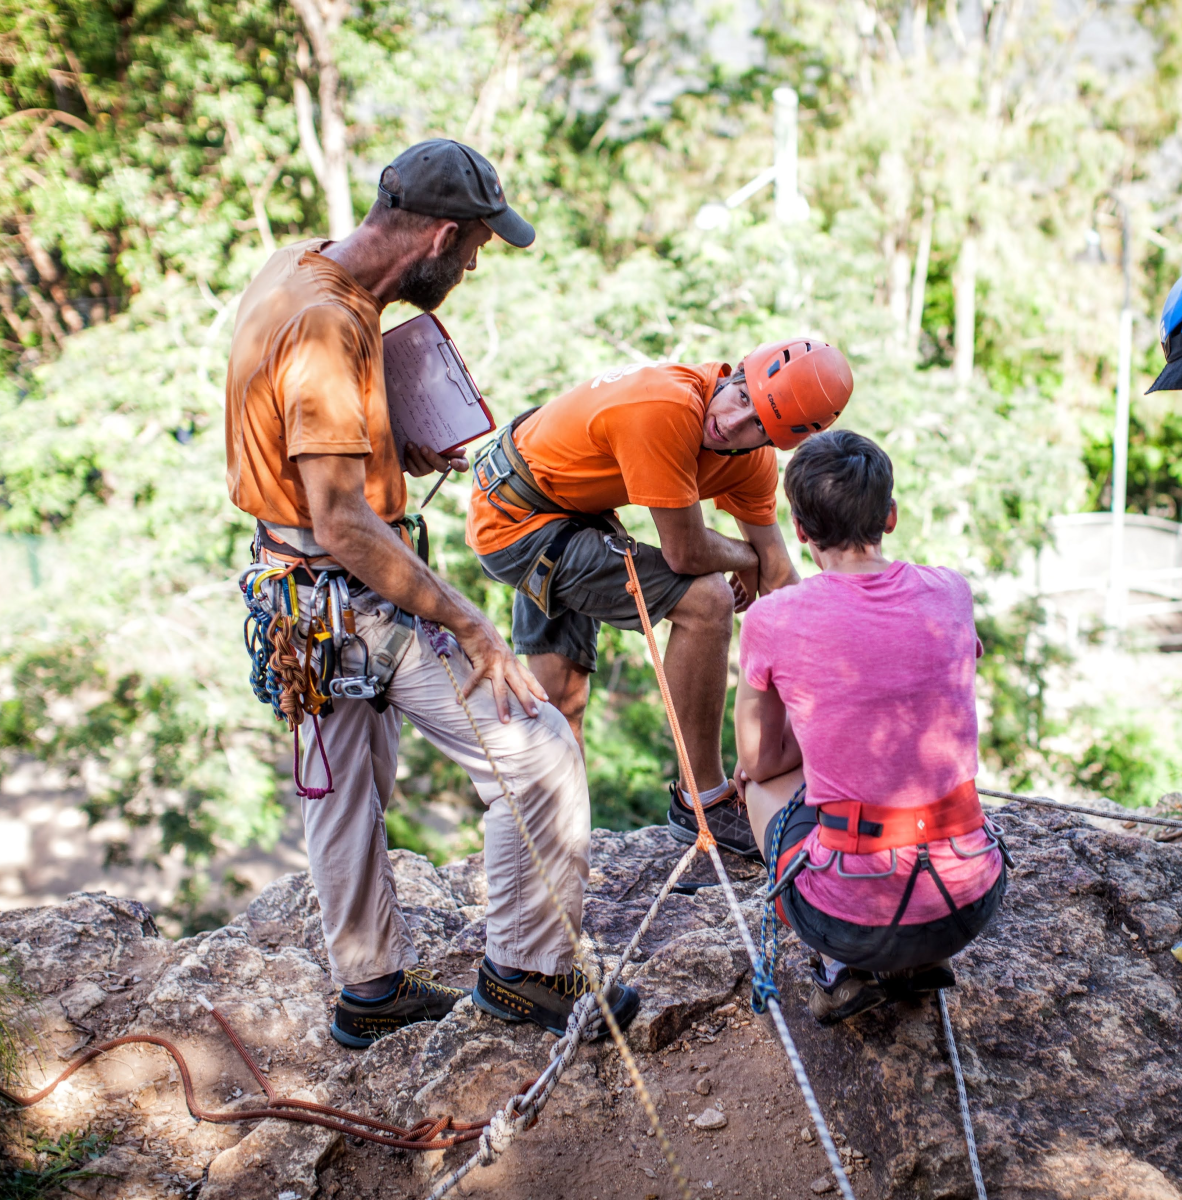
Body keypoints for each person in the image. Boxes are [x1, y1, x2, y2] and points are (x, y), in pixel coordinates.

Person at [225, 138, 638, 1048]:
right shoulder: (331, 328)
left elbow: (302, 437)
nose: (478, 263)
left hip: (294, 601)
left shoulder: (300, 270)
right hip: (351, 591)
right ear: (441, 236)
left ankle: (369, 992)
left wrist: (385, 444)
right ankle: (529, 974)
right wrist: (470, 622)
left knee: (341, 792)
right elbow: (342, 521)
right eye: (478, 246)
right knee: (536, 753)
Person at [466, 340, 854, 859]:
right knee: (707, 602)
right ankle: (704, 801)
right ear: (735, 372)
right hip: (517, 518)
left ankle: (555, 838)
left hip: (571, 502)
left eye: (759, 425)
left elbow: (778, 572)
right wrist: (744, 557)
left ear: (778, 442)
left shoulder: (750, 461)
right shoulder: (667, 407)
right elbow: (687, 554)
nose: (734, 424)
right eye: (741, 396)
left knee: (563, 697)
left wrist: (847, 675)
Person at [734, 429, 1007, 1025]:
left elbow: (757, 761)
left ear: (800, 531)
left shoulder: (772, 618)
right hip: (971, 903)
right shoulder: (951, 591)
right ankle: (913, 966)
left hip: (853, 921)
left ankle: (839, 966)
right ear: (890, 516)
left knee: (757, 787)